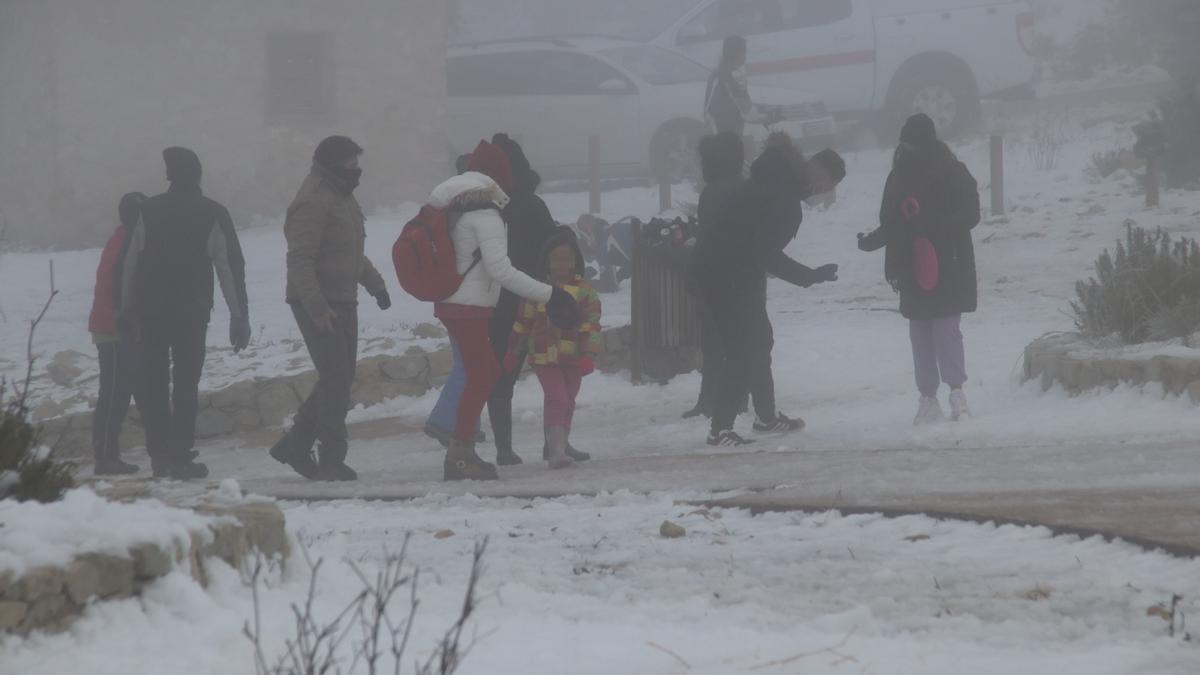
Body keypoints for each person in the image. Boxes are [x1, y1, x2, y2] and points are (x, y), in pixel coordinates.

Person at [429, 139, 579, 481]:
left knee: (482, 374)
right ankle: (460, 454)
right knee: (483, 375)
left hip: (456, 304)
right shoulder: (485, 216)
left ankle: (461, 450)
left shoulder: (456, 209)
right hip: (470, 307)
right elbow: (502, 270)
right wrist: (550, 294)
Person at [690, 133, 840, 447]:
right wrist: (809, 276)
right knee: (742, 350)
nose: (821, 191)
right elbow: (765, 253)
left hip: (729, 269)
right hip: (726, 272)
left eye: (827, 188)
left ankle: (765, 417)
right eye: (824, 183)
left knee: (759, 340)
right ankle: (720, 430)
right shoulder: (784, 197)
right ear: (814, 170)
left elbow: (756, 246)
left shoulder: (776, 177)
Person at [118, 147, 250, 480]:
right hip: (192, 314)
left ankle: (159, 455)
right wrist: (239, 316)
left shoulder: (147, 210)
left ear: (169, 176)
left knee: (155, 384)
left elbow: (128, 264)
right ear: (198, 176)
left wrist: (125, 310)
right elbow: (229, 268)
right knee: (186, 385)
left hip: (150, 313)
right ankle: (179, 456)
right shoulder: (213, 213)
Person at [271, 136, 392, 481]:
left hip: (344, 298)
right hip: (320, 304)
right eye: (351, 166)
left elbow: (349, 250)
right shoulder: (314, 201)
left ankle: (295, 444)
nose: (357, 172)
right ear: (333, 165)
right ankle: (331, 458)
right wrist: (317, 307)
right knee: (337, 380)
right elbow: (300, 260)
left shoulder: (342, 196)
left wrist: (375, 283)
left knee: (337, 378)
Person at [857, 113, 980, 425]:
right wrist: (872, 241)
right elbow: (892, 222)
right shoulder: (898, 178)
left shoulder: (954, 174)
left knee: (945, 331)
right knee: (920, 333)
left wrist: (931, 226)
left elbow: (970, 215)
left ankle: (956, 393)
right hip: (911, 266)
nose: (908, 151)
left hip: (949, 264)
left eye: (912, 144)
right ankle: (928, 398)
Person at [486, 133, 560, 466]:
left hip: (496, 304)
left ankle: (504, 447)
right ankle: (556, 442)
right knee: (554, 372)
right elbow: (551, 247)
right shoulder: (533, 206)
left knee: (502, 377)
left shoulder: (484, 208)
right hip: (536, 299)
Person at [504, 229, 602, 469]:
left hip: (574, 356)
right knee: (556, 398)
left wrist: (589, 354)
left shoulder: (585, 290)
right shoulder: (537, 289)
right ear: (547, 261)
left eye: (567, 259)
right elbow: (523, 322)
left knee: (568, 400)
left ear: (575, 261)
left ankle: (563, 443)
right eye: (556, 259)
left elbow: (591, 324)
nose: (561, 264)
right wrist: (513, 351)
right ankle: (555, 450)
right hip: (543, 355)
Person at [425, 153, 487, 449]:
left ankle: (467, 424)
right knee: (469, 365)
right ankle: (445, 421)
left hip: (450, 295)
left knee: (468, 362)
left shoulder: (445, 208)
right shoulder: (471, 210)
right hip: (466, 298)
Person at [685, 132, 747, 420]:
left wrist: (694, 272)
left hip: (717, 275)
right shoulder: (742, 187)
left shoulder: (713, 192)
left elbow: (707, 238)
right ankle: (737, 397)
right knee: (739, 339)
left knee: (715, 341)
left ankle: (711, 399)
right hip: (741, 274)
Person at [89, 192, 147, 476]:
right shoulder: (126, 243)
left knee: (118, 393)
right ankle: (104, 457)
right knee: (112, 394)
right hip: (112, 329)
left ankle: (109, 455)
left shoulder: (120, 238)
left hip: (111, 326)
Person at [704, 35, 753, 136]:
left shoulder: (733, 74)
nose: (745, 56)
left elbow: (745, 104)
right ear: (735, 54)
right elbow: (709, 109)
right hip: (724, 130)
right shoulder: (722, 76)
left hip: (733, 127)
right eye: (743, 53)